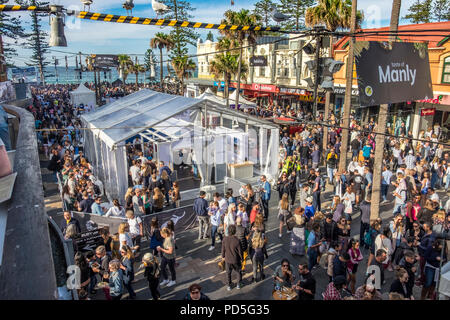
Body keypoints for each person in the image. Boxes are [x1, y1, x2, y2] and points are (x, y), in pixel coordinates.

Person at [221, 224, 243, 291]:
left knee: (228, 273)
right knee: (238, 272)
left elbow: (223, 249)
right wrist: (242, 258)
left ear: (228, 231)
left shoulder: (224, 239)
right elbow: (240, 251)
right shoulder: (237, 240)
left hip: (228, 260)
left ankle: (229, 286)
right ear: (235, 231)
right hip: (236, 260)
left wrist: (223, 256)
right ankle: (238, 284)